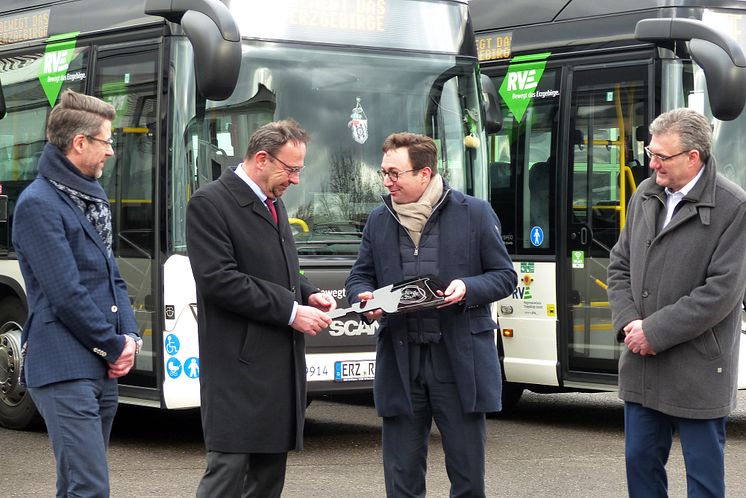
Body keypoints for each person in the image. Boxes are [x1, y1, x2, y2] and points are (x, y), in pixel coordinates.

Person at [345, 132, 517, 497]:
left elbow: (504, 276)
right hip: (401, 360)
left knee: (468, 476)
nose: (387, 182)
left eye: (395, 174)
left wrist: (468, 288)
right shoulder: (379, 219)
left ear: (424, 174)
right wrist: (362, 298)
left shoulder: (475, 212)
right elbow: (361, 275)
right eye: (384, 173)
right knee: (401, 476)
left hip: (458, 363)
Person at [186, 119, 336, 498]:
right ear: (262, 159)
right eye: (292, 169)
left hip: (275, 365)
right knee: (227, 475)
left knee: (269, 479)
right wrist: (290, 310)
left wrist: (307, 293)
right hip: (238, 366)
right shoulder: (210, 202)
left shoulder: (273, 201)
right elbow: (220, 280)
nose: (297, 179)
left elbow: (275, 270)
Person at [607, 108, 746, 497]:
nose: (651, 163)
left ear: (693, 157)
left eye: (660, 156)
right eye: (650, 152)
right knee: (640, 466)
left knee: (703, 481)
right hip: (643, 368)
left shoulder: (734, 208)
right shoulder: (645, 194)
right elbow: (619, 264)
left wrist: (654, 331)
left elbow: (721, 292)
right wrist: (629, 323)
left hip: (697, 371)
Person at [12, 89, 141, 497]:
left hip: (99, 366)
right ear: (79, 143)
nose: (112, 152)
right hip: (64, 366)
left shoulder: (91, 199)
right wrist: (112, 344)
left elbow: (112, 277)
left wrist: (131, 338)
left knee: (76, 486)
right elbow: (65, 291)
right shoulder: (39, 203)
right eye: (106, 141)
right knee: (89, 487)